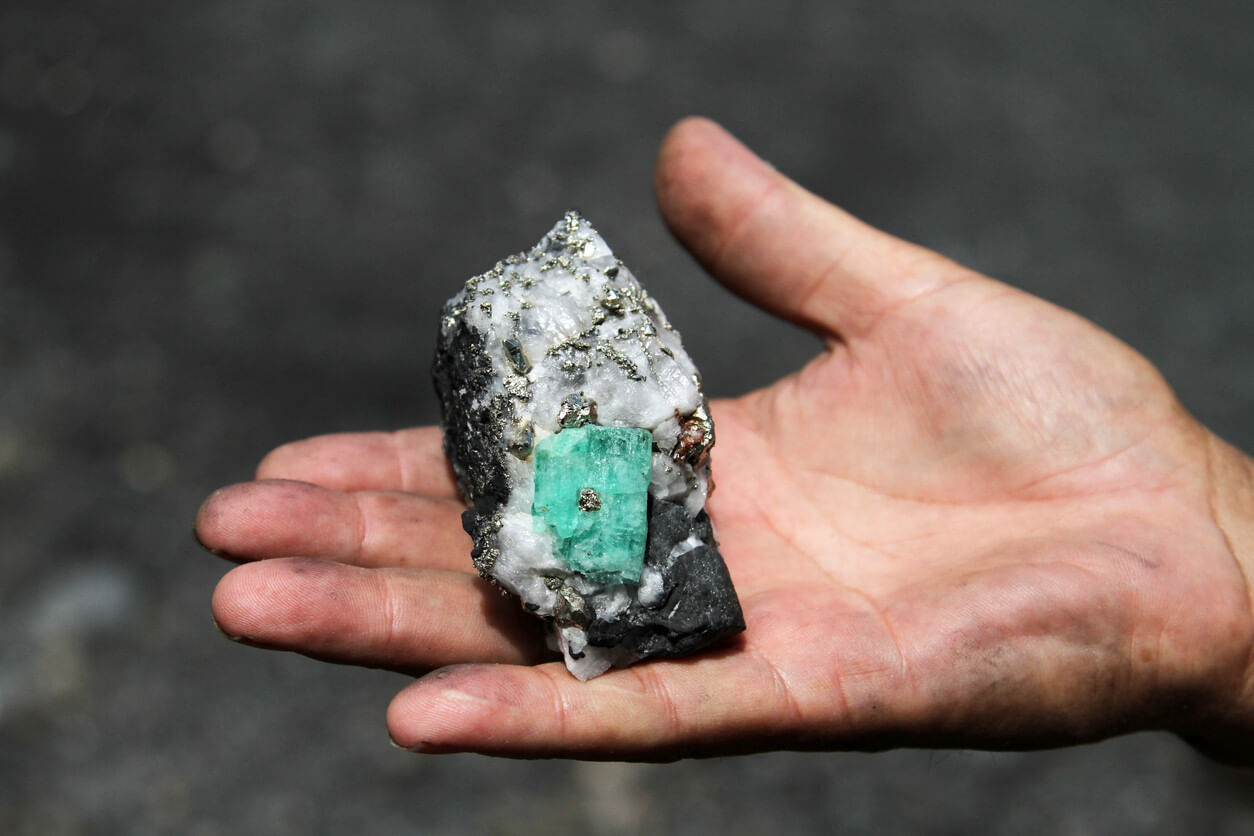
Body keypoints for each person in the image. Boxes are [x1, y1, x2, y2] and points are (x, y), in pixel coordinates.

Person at [194, 117, 1253, 765]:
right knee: (587, 517)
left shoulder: (593, 414)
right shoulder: (556, 399)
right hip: (602, 545)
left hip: (618, 546)